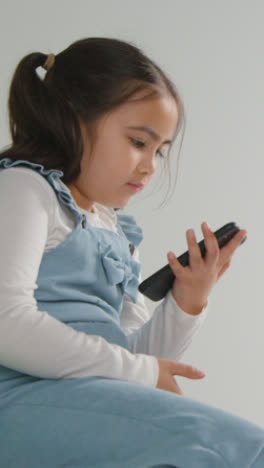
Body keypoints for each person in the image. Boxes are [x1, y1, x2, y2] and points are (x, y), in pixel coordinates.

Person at [0, 37, 262, 468]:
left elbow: (139, 362)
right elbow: (7, 324)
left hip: (89, 399)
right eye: (139, 142)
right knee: (231, 448)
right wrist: (138, 372)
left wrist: (187, 300)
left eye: (160, 151)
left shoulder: (116, 230)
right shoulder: (26, 190)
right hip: (22, 398)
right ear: (72, 117)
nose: (150, 167)